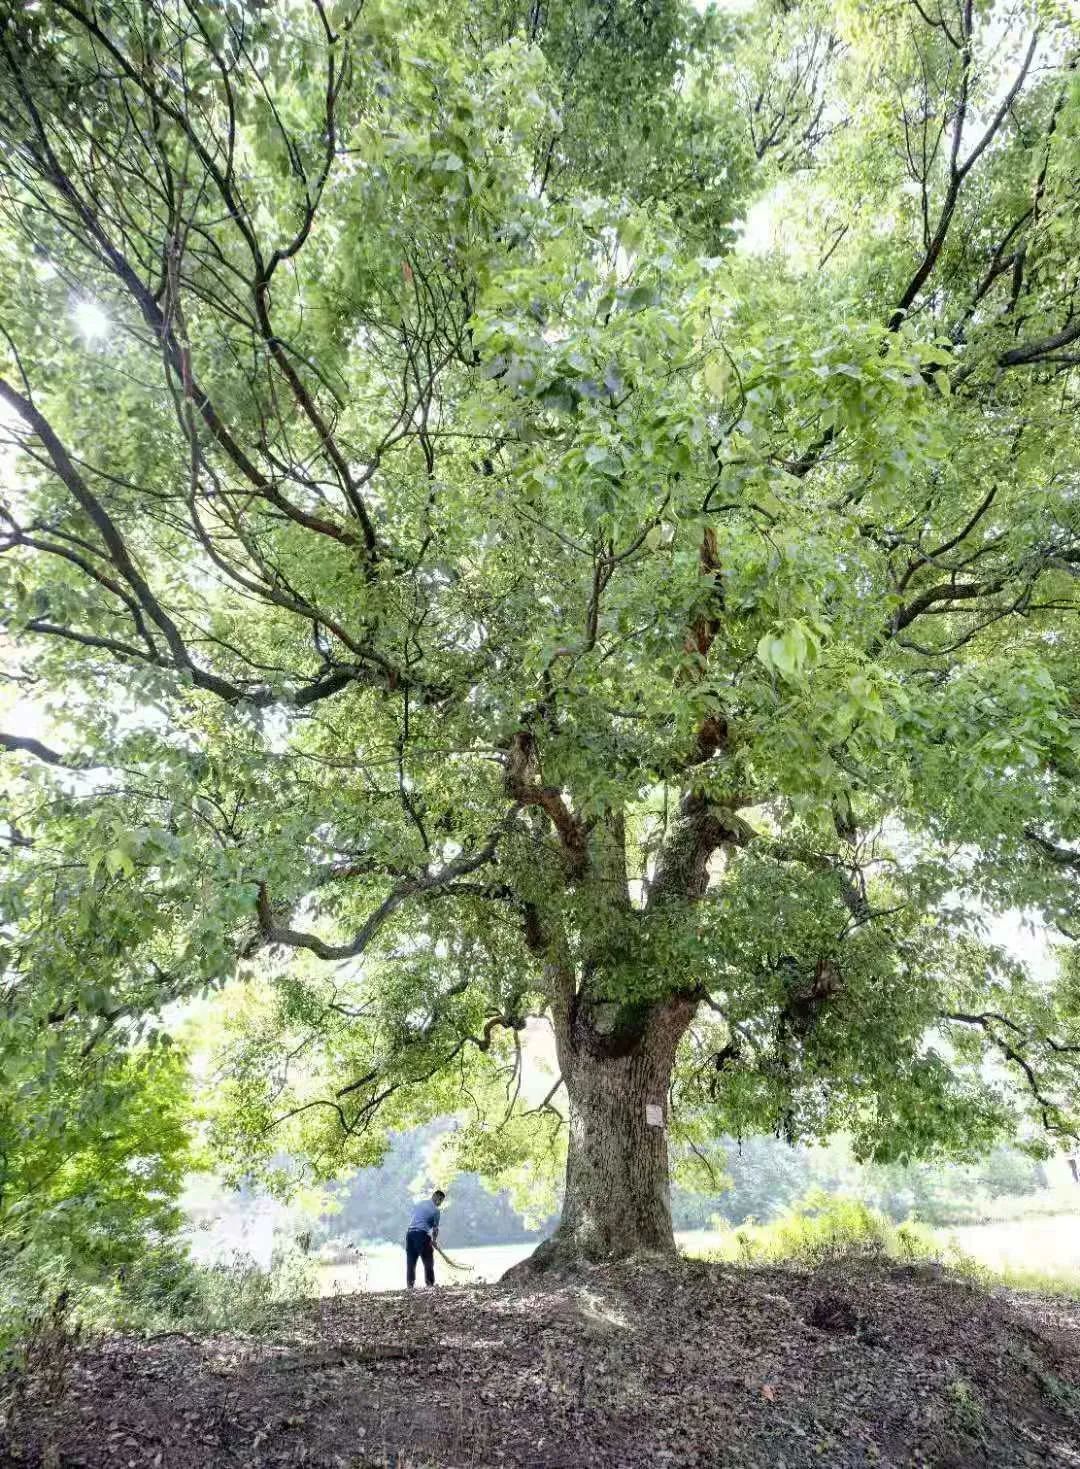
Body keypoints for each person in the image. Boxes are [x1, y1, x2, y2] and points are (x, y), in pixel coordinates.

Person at [405, 1189, 445, 1289]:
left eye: (442, 1201)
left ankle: (410, 1286)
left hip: (410, 1234)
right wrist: (434, 1241)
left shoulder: (420, 1203)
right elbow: (435, 1229)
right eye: (440, 1200)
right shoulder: (436, 1211)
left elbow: (416, 1217)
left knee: (411, 1261)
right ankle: (430, 1284)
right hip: (421, 1234)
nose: (440, 1203)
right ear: (435, 1197)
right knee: (428, 1260)